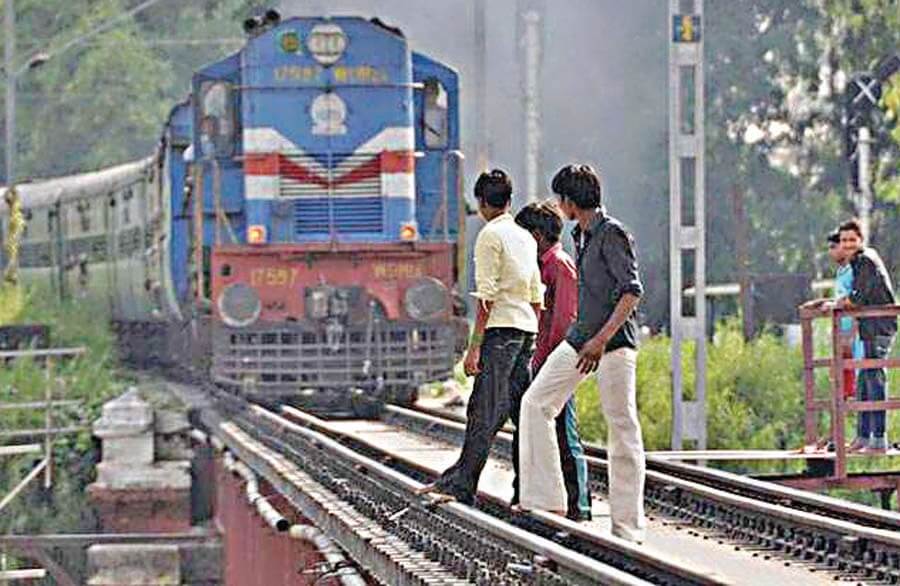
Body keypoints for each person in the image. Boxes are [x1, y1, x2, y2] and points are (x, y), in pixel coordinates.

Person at [518, 164, 646, 543]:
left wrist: (602, 340)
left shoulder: (612, 234)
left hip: (613, 344)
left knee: (621, 426)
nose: (559, 206)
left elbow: (631, 292)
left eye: (561, 199)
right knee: (536, 403)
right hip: (580, 339)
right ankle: (547, 501)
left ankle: (627, 528)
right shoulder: (582, 235)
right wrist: (585, 339)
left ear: (571, 201)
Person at [417, 169, 543, 504]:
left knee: (483, 410)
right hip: (525, 329)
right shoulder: (526, 237)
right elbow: (535, 295)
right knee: (519, 413)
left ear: (482, 203)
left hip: (501, 331)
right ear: (509, 200)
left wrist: (474, 348)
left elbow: (486, 297)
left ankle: (462, 485)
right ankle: (526, 490)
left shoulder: (490, 236)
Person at [512, 201, 592, 521]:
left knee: (565, 433)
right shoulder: (541, 266)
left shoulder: (559, 265)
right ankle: (541, 497)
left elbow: (563, 321)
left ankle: (578, 504)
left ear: (536, 236)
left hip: (559, 362)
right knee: (544, 429)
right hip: (543, 361)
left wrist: (547, 363)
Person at [835, 219, 896, 453]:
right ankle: (863, 436)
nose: (848, 244)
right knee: (864, 379)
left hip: (879, 326)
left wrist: (839, 304)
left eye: (852, 239)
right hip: (869, 326)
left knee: (874, 376)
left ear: (860, 240)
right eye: (844, 240)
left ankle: (878, 438)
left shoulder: (865, 260)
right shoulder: (858, 262)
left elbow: (857, 298)